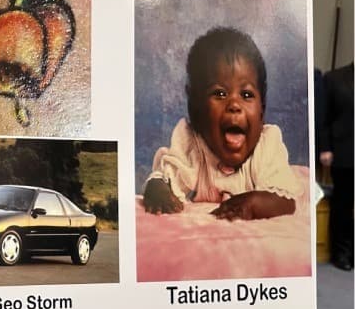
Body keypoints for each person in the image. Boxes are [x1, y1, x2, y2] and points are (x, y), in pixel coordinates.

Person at [142, 27, 300, 220]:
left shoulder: (266, 146)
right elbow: (165, 177)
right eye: (220, 93)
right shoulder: (194, 147)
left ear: (262, 110)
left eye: (246, 94)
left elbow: (286, 201)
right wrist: (157, 190)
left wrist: (253, 203)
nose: (234, 105)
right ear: (196, 107)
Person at [322, 62, 353, 271]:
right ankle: (341, 252)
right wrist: (325, 148)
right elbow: (324, 118)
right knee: (342, 204)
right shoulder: (334, 78)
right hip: (344, 152)